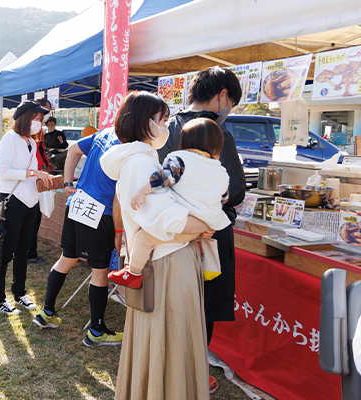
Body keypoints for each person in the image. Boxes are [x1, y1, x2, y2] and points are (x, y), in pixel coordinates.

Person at [100, 91, 214, 399]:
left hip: (164, 261)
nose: (167, 126)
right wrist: (204, 224)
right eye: (162, 120)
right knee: (171, 340)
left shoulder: (141, 159)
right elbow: (165, 221)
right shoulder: (140, 162)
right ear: (145, 123)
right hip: (167, 264)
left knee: (162, 340)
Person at [157, 66, 246, 393]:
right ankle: (192, 372)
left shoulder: (164, 128)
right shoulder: (217, 135)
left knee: (171, 301)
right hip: (209, 235)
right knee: (203, 306)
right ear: (223, 95)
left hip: (169, 233)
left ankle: (166, 367)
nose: (229, 111)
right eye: (232, 103)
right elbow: (235, 190)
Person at [32, 116, 124, 348]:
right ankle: (96, 330)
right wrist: (119, 233)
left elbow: (73, 149)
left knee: (67, 258)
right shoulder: (128, 144)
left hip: (79, 203)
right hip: (99, 210)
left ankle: (47, 311)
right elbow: (118, 199)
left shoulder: (106, 132)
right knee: (100, 270)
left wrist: (67, 184)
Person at [108, 118, 231, 288]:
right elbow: (223, 197)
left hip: (182, 222)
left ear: (184, 141)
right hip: (201, 226)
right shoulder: (220, 170)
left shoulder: (181, 159)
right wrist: (209, 220)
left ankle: (133, 273)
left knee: (143, 238)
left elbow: (165, 177)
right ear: (217, 147)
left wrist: (143, 189)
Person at [0, 100, 53, 315]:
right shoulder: (9, 139)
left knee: (23, 251)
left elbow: (32, 171)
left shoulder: (32, 143)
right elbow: (5, 173)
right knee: (5, 252)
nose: (39, 123)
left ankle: (20, 293)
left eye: (41, 120)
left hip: (31, 201)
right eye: (36, 119)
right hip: (12, 200)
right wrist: (34, 174)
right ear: (25, 117)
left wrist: (43, 180)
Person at [28, 98, 54, 263]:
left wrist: (46, 164)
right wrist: (42, 169)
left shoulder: (37, 129)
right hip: (34, 176)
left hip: (37, 173)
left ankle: (30, 252)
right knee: (33, 216)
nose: (45, 115)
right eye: (43, 111)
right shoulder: (31, 130)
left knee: (34, 216)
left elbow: (40, 149)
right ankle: (30, 253)